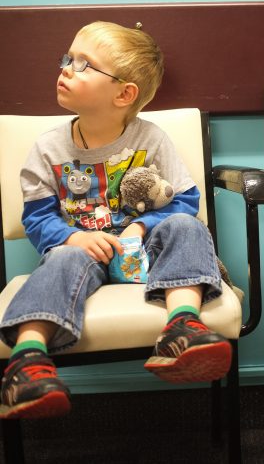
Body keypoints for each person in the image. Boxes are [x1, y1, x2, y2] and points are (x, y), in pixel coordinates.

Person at [0, 21, 232, 419]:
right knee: (62, 259)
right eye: (67, 58)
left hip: (144, 254)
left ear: (124, 94)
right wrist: (72, 238)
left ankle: (181, 327)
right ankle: (26, 362)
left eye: (83, 64)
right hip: (83, 254)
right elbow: (37, 219)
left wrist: (141, 226)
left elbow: (186, 201)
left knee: (187, 226)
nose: (66, 69)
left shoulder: (151, 139)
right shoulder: (48, 148)